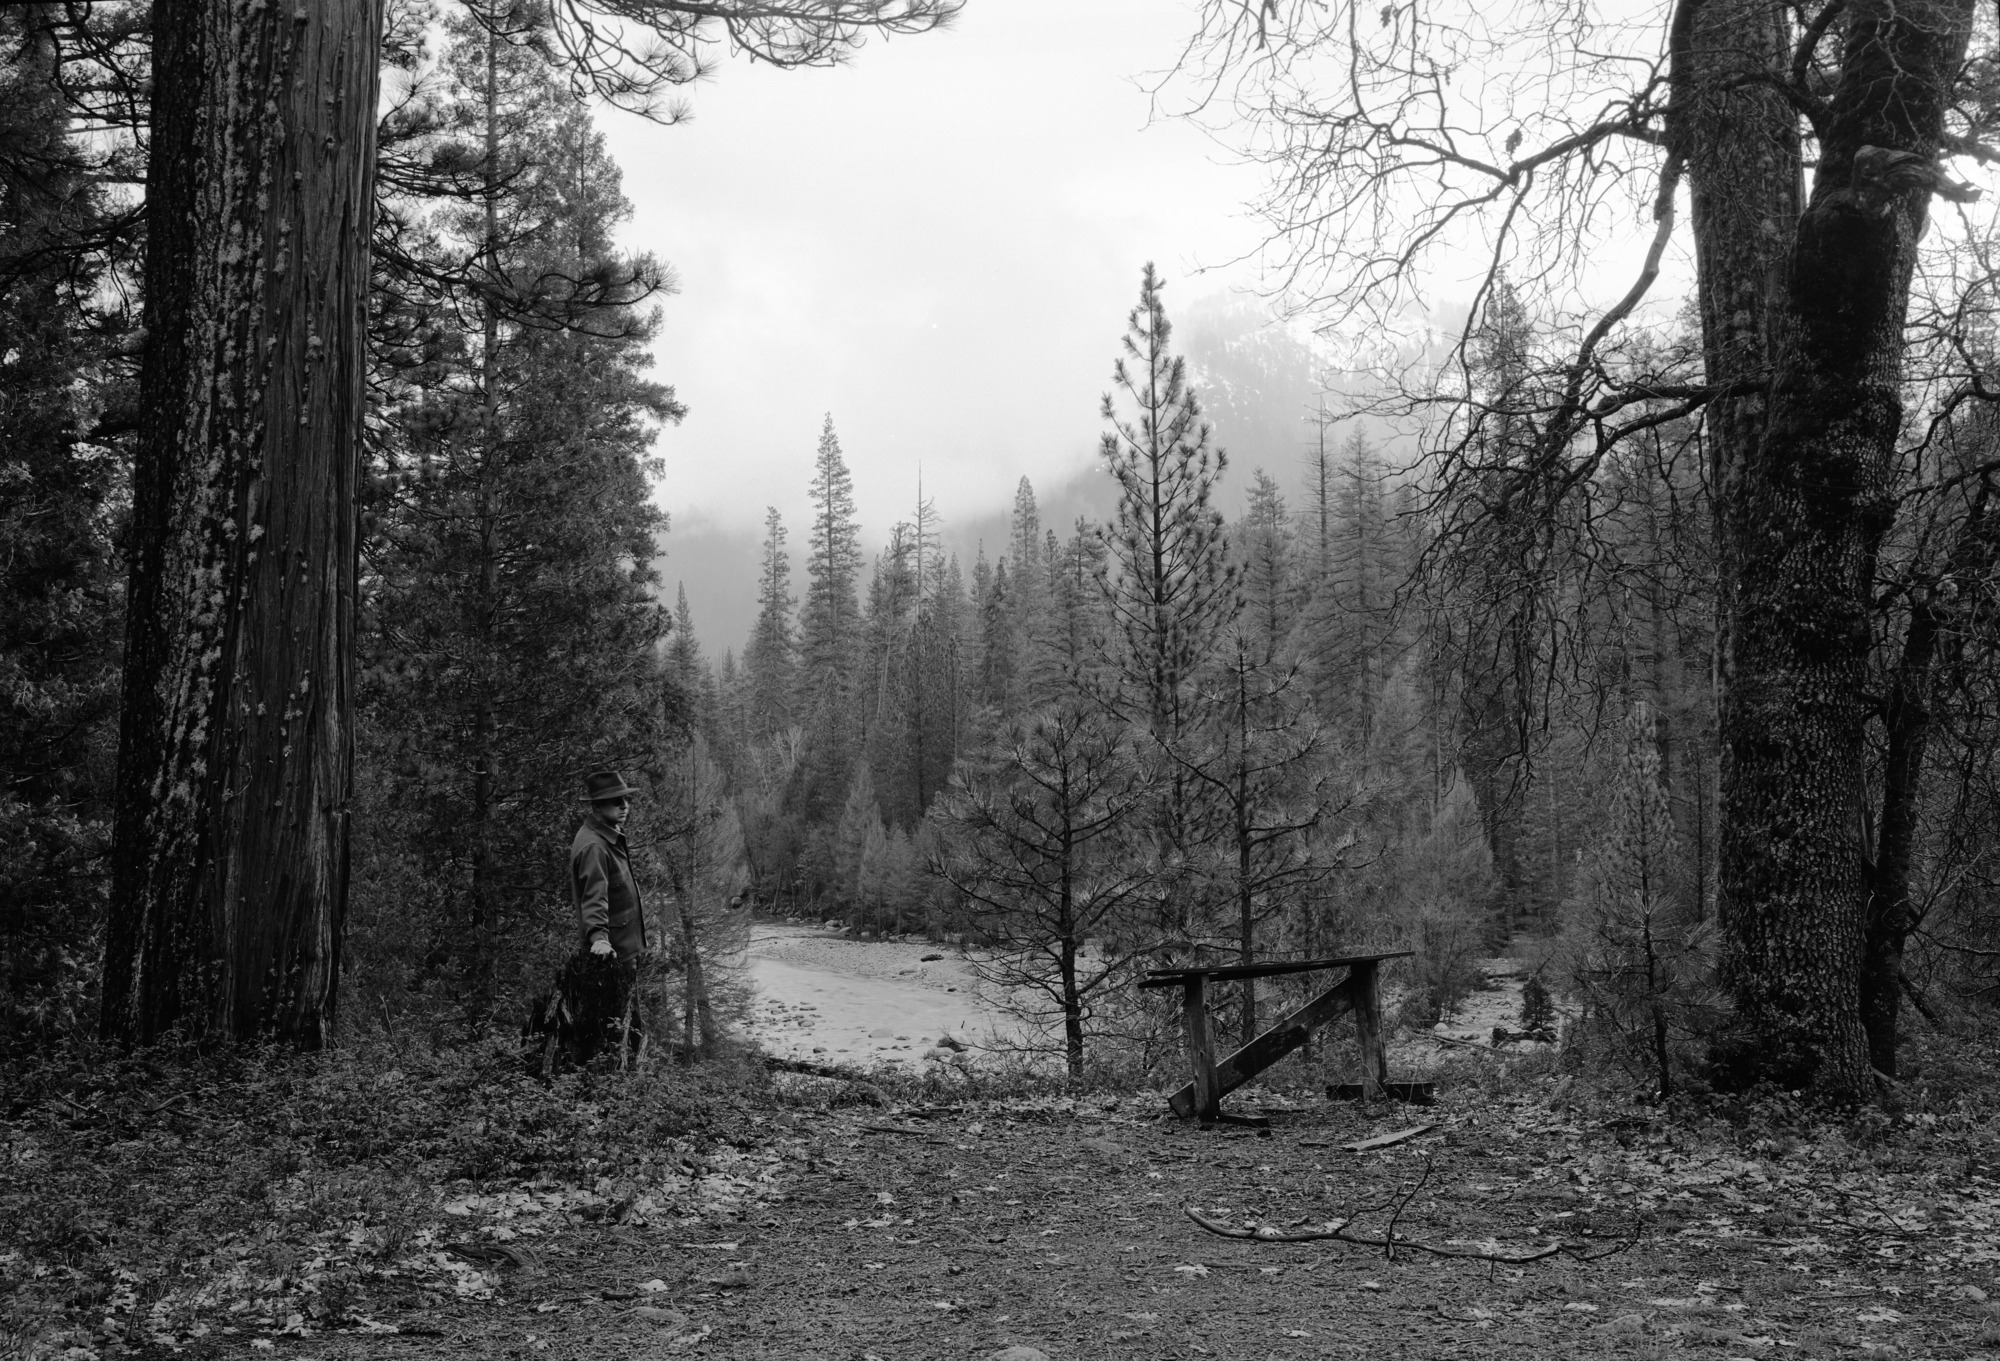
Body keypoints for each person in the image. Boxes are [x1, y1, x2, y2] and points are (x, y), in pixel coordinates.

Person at [571, 769, 649, 961]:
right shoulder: (594, 847)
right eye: (616, 801)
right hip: (611, 958)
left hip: (623, 950)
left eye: (625, 800)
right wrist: (600, 940)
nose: (625, 806)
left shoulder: (609, 835)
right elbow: (594, 897)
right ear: (597, 806)